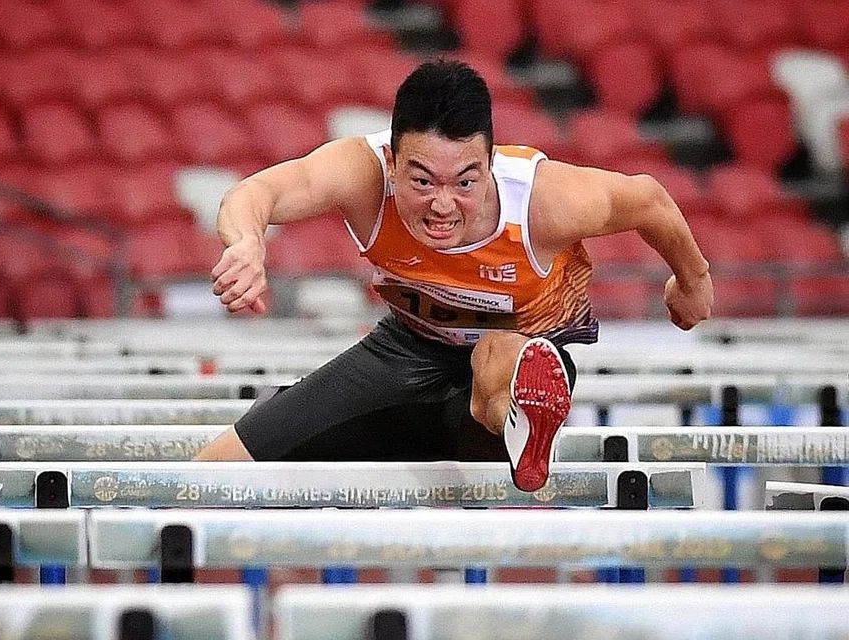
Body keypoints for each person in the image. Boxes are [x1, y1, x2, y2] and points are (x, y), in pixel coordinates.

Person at [194, 60, 713, 492]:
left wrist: (693, 281)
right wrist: (247, 241)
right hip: (402, 352)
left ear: (490, 163)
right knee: (209, 476)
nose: (442, 205)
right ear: (393, 164)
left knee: (500, 351)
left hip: (510, 366)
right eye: (422, 181)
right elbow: (257, 193)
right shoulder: (363, 174)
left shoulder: (542, 202)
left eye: (465, 182)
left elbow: (648, 199)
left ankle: (522, 418)